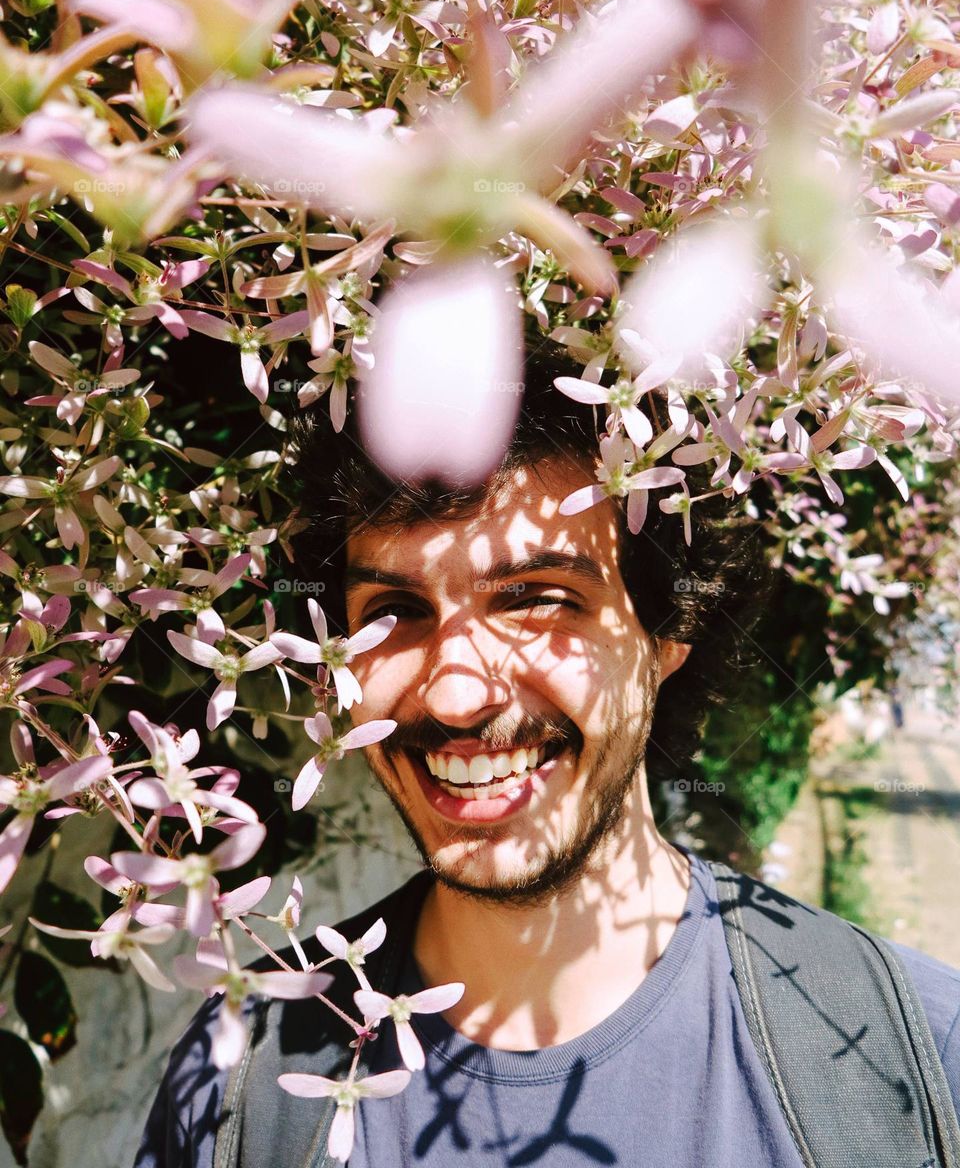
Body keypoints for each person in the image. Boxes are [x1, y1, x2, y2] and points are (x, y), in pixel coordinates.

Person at [133, 336, 960, 1167]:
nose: (456, 695)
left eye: (537, 601)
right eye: (393, 610)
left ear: (666, 635)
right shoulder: (241, 1082)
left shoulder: (914, 1061)